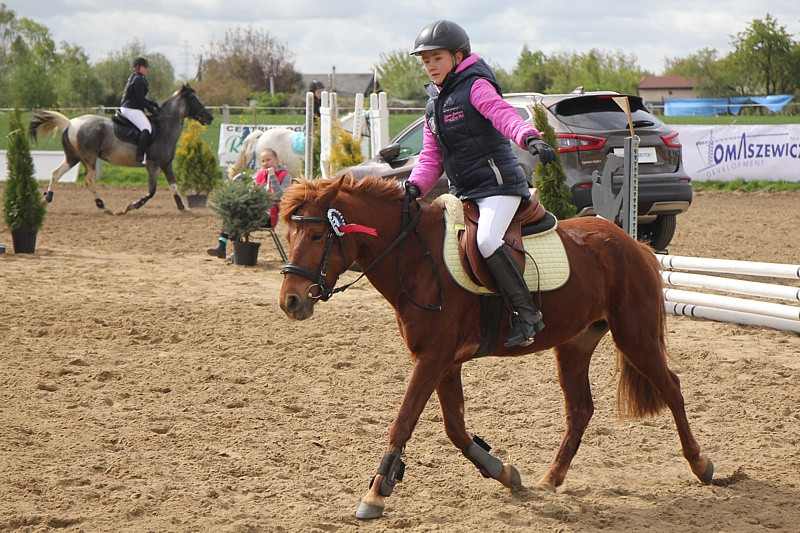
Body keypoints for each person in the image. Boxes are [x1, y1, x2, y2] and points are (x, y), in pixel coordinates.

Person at [404, 20, 557, 347]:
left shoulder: (475, 86)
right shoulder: (434, 106)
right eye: (426, 60)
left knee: (487, 240)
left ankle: (527, 314)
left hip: (498, 187)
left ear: (458, 57)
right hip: (464, 193)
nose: (430, 66)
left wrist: (530, 138)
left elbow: (504, 116)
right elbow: (431, 157)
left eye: (437, 58)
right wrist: (414, 186)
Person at [207, 148, 291, 259]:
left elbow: (281, 196)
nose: (265, 163)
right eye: (263, 161)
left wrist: (273, 177)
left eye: (268, 160)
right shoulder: (261, 175)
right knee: (231, 211)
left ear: (276, 160)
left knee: (237, 215)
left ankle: (229, 249)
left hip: (268, 216)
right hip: (254, 211)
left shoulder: (285, 175)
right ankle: (222, 246)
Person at [120, 56, 159, 164]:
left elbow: (140, 97)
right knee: (147, 128)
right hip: (130, 108)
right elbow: (140, 100)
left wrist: (152, 103)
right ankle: (140, 157)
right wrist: (152, 110)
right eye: (144, 66)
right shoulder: (137, 79)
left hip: (132, 107)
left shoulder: (138, 77)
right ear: (138, 67)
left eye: (147, 67)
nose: (146, 68)